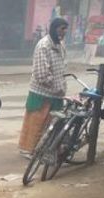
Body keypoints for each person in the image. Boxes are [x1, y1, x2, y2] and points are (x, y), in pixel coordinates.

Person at [19, 17, 68, 157]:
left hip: (56, 94)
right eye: (61, 28)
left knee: (50, 124)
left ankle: (44, 149)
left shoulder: (60, 44)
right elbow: (41, 74)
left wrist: (61, 85)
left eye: (65, 29)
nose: (63, 32)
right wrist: (55, 84)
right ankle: (28, 150)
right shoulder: (44, 45)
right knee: (36, 124)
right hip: (42, 93)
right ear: (53, 29)